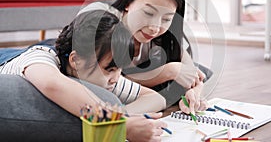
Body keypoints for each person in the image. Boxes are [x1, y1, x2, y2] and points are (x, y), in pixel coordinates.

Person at [0, 8, 167, 142]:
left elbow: (156, 99)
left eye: (120, 70)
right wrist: (121, 124)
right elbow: (53, 84)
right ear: (76, 60)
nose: (116, 78)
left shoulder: (104, 74)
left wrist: (126, 113)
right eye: (109, 69)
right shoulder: (41, 57)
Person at [107, 0, 210, 115]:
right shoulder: (107, 29)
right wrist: (168, 72)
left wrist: (193, 93)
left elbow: (193, 74)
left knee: (202, 71)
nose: (155, 28)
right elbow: (111, 82)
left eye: (167, 19)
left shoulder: (166, 34)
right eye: (148, 13)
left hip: (142, 77)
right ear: (128, 2)